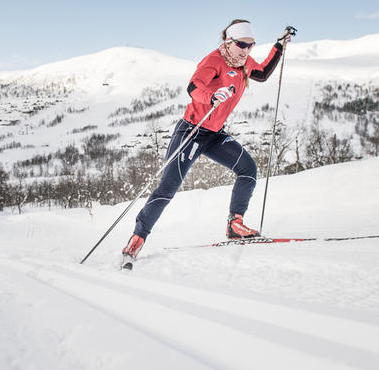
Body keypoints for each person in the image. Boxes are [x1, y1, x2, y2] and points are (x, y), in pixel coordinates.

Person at [122, 19, 292, 266]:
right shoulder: (213, 61)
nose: (246, 50)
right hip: (192, 130)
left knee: (248, 170)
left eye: (251, 45)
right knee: (168, 188)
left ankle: (235, 224)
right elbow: (194, 87)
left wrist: (278, 47)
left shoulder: (244, 63)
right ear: (229, 41)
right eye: (242, 44)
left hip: (215, 134)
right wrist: (212, 95)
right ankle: (138, 237)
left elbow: (263, 74)